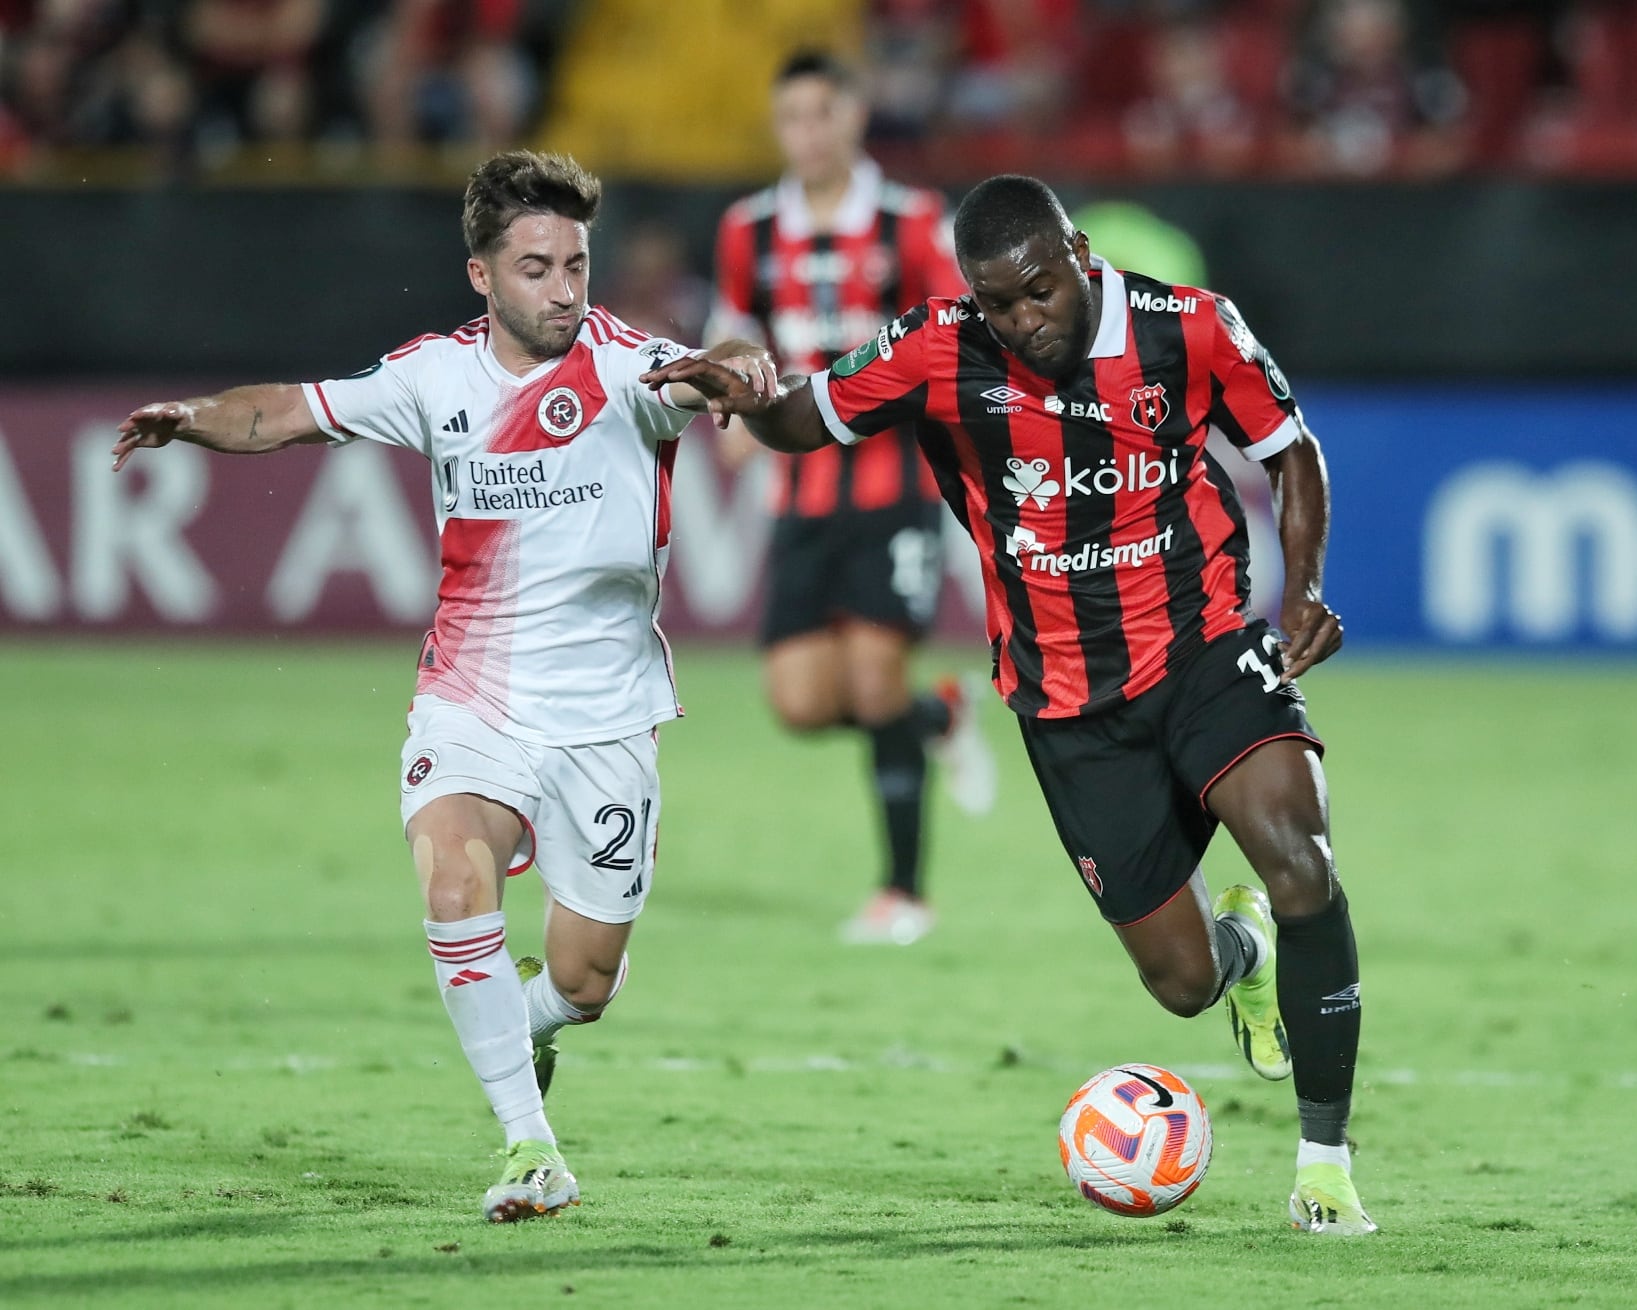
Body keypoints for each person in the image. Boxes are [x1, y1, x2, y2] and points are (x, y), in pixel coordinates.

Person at [649, 174, 1376, 1234]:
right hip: (1066, 696)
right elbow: (808, 415)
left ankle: (1324, 1161)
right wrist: (744, 390)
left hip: (1206, 641)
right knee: (1180, 982)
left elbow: (1289, 449)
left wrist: (1303, 585)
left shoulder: (1190, 327)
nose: (1023, 321)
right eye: (999, 304)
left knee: (1299, 856)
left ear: (1079, 254)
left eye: (1038, 291)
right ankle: (1245, 954)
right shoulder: (940, 346)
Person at [111, 149, 775, 1224]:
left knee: (586, 982)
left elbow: (719, 360)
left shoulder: (625, 369)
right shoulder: (433, 375)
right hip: (470, 701)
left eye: (576, 263)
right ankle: (531, 1145)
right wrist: (190, 413)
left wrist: (739, 372)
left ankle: (532, 1024)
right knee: (454, 877)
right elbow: (284, 409)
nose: (565, 289)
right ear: (482, 276)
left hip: (605, 720)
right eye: (536, 267)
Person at [709, 49, 995, 947]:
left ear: (854, 116)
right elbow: (734, 326)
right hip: (799, 488)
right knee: (798, 701)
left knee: (872, 675)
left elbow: (956, 333)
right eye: (791, 116)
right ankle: (938, 714)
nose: (808, 132)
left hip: (894, 483)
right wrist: (728, 388)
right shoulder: (748, 229)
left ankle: (903, 893)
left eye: (822, 113)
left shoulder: (910, 222)